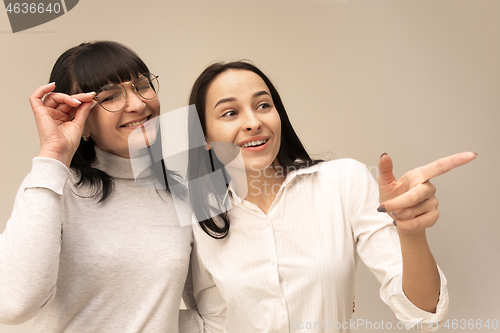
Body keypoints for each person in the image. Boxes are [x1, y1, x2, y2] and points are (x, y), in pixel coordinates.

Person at [184, 61, 476, 332]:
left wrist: (411, 234)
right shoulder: (198, 217)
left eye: (263, 105)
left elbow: (423, 314)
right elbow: (206, 321)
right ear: (205, 138)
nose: (253, 122)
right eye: (230, 113)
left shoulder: (343, 181)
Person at [0, 41, 201, 332]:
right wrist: (53, 155)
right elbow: (12, 304)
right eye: (111, 96)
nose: (137, 104)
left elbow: (215, 309)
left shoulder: (187, 192)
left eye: (142, 85)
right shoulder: (53, 186)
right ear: (80, 120)